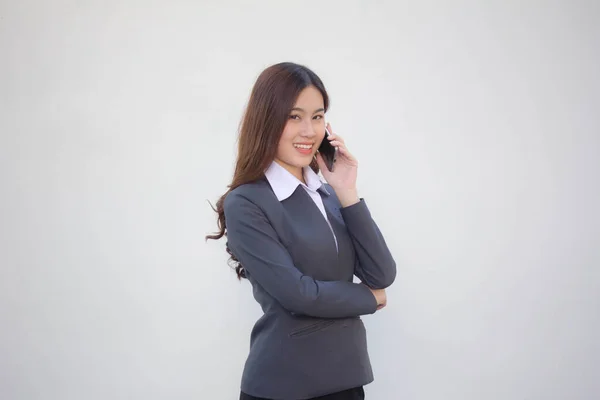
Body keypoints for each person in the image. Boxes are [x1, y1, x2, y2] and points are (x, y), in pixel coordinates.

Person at [207, 62, 397, 400]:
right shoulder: (247, 202)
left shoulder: (327, 193)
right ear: (267, 120)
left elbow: (381, 272)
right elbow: (297, 294)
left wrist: (347, 191)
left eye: (318, 116)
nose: (309, 131)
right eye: (294, 116)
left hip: (346, 379)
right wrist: (369, 298)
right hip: (285, 385)